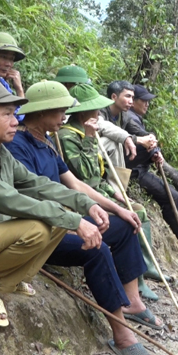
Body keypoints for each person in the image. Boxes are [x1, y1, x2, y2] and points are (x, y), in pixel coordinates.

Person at [4, 81, 162, 355]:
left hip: (65, 219)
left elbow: (74, 184)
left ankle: (133, 302)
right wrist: (77, 220)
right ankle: (121, 333)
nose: (65, 114)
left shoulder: (46, 141)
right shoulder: (18, 146)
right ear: (42, 113)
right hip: (39, 230)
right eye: (60, 110)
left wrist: (118, 209)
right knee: (96, 249)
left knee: (124, 228)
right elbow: (32, 197)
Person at [56, 83, 164, 301]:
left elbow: (99, 176)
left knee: (138, 210)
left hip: (99, 191)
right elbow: (83, 173)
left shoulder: (90, 132)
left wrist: (115, 193)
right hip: (83, 197)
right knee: (127, 221)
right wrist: (87, 138)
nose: (98, 113)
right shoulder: (69, 137)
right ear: (84, 112)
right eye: (95, 109)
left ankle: (144, 271)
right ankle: (136, 282)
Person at [102, 81, 178, 257]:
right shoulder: (105, 112)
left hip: (137, 170)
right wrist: (139, 142)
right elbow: (107, 129)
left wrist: (154, 149)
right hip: (126, 171)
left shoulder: (126, 117)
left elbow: (142, 134)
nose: (134, 102)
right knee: (171, 196)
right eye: (129, 97)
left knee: (173, 196)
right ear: (114, 97)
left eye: (133, 98)